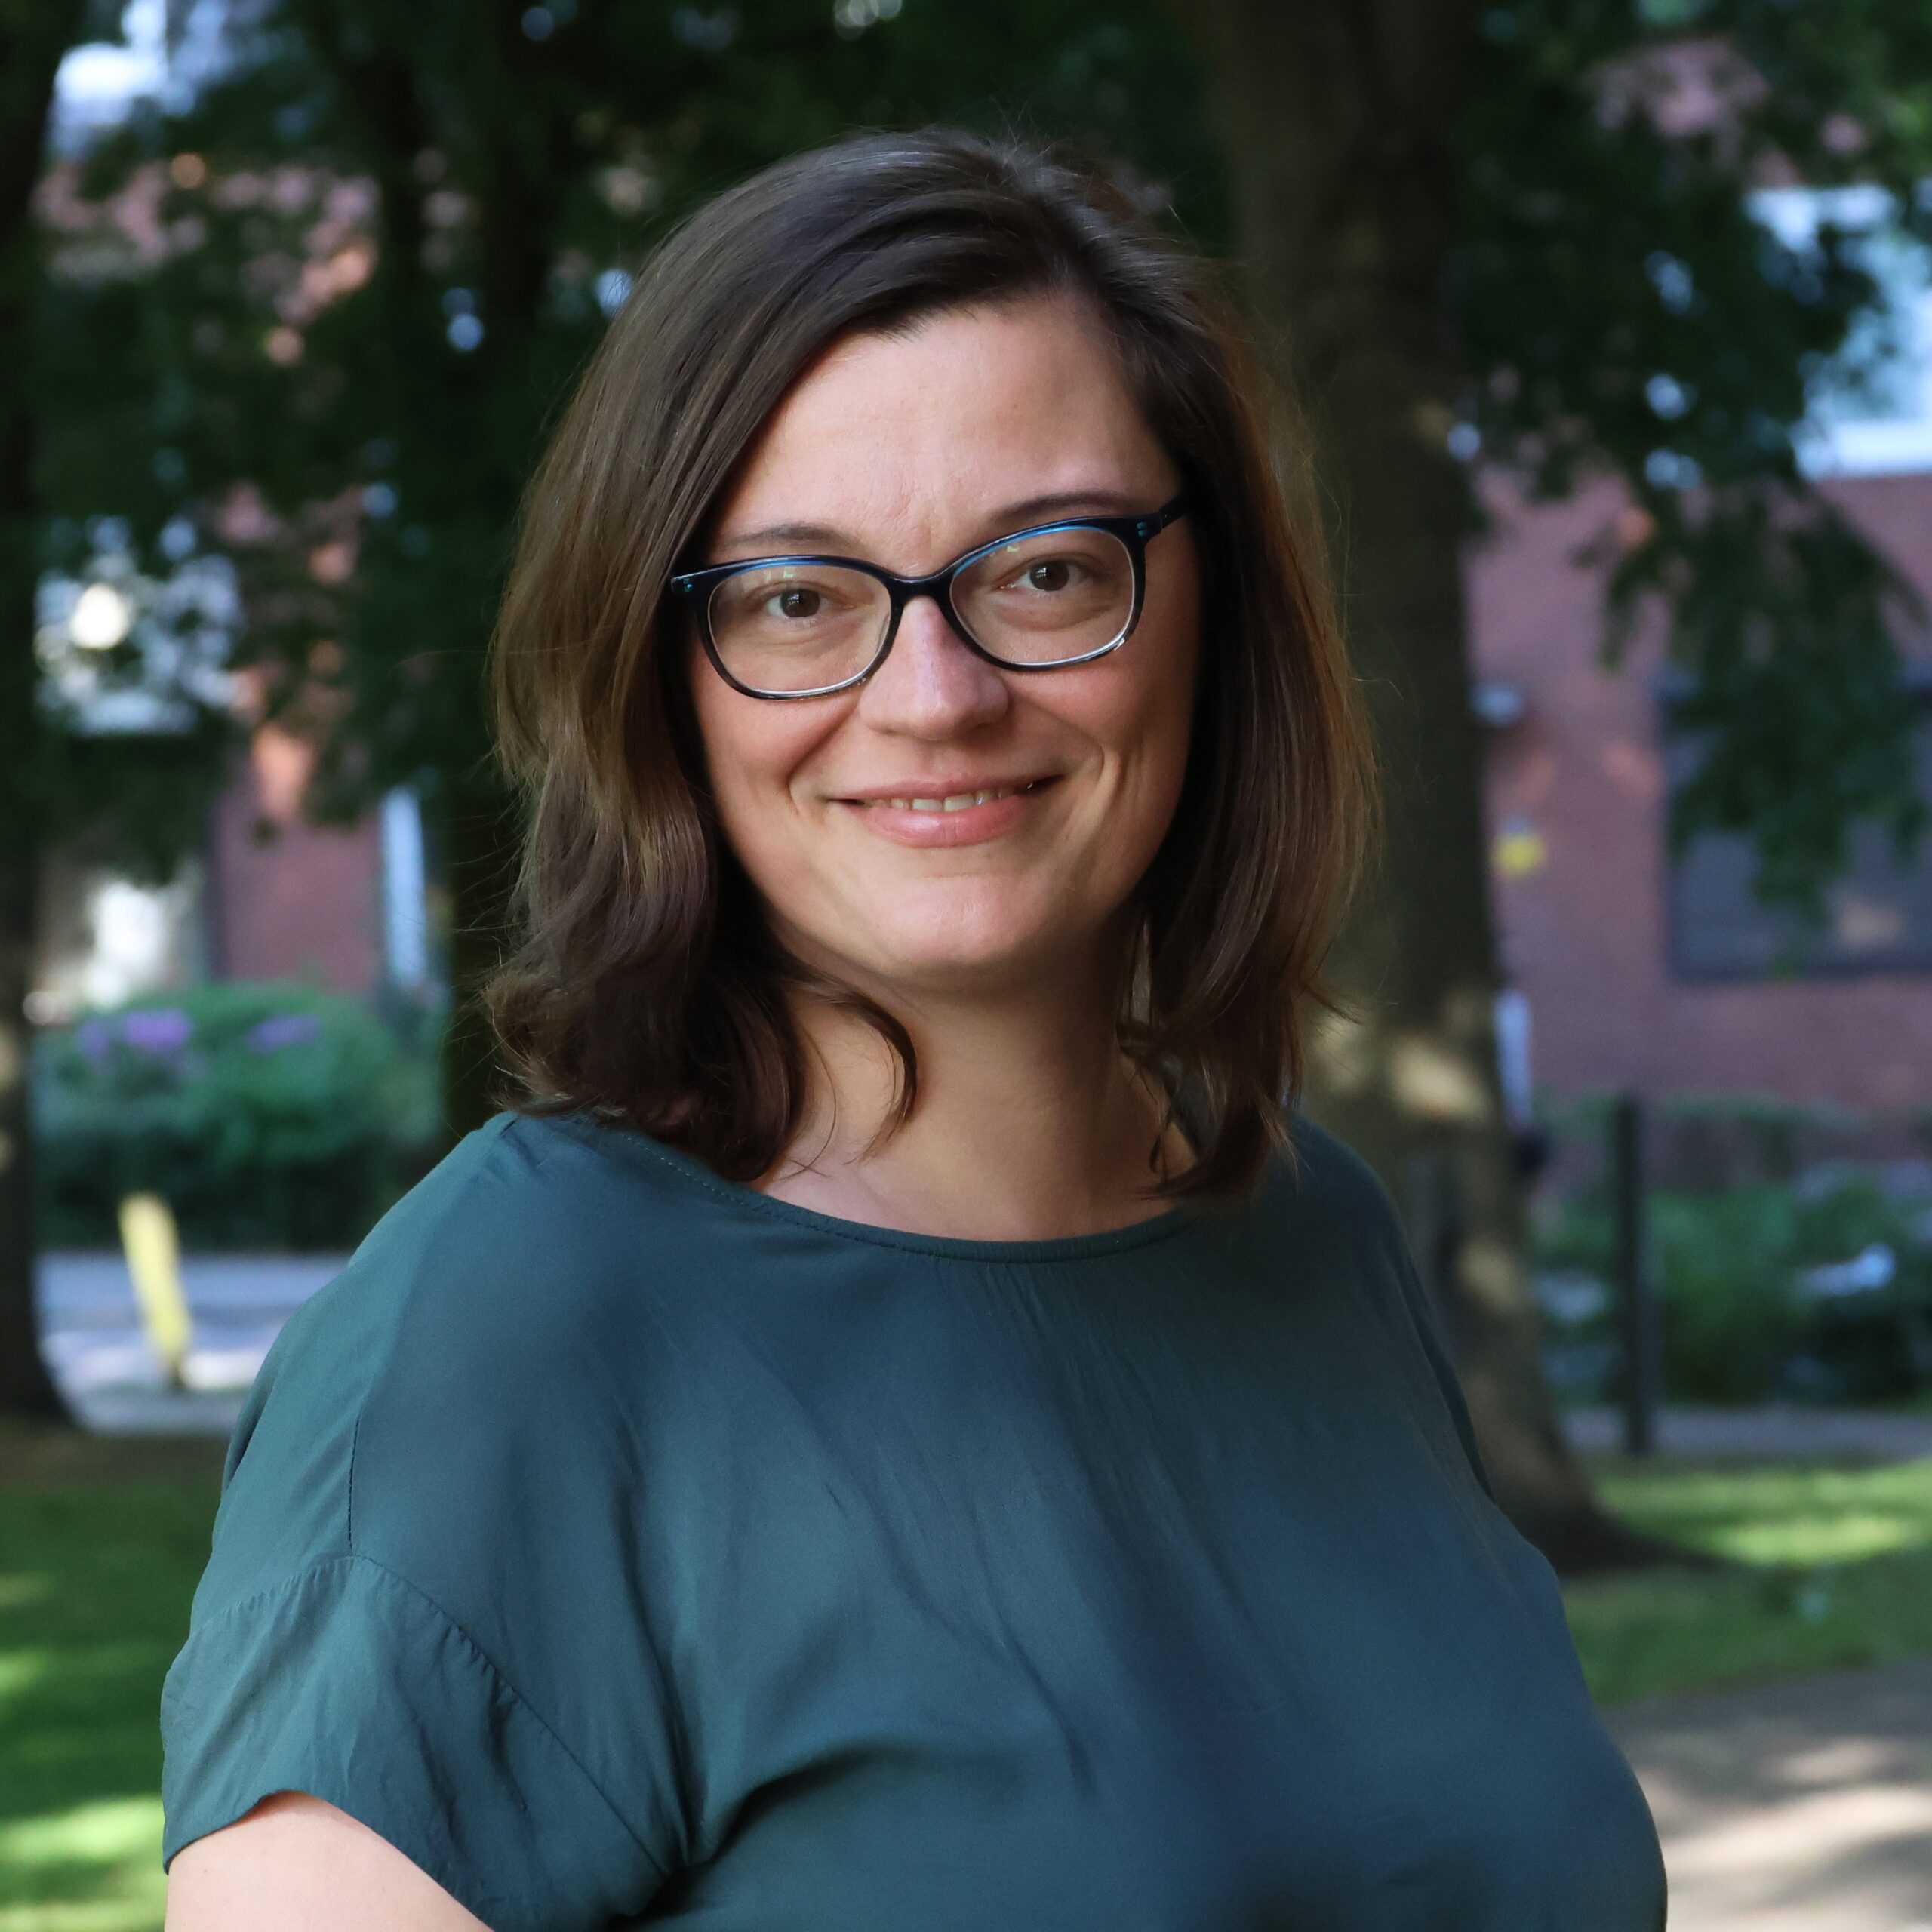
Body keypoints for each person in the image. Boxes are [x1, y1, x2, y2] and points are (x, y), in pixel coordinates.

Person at [160, 130, 1666, 1930]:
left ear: (1210, 606)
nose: (933, 695)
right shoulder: (511, 1332)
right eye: (796, 599)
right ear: (658, 678)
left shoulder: (1312, 1237)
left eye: (1042, 568)